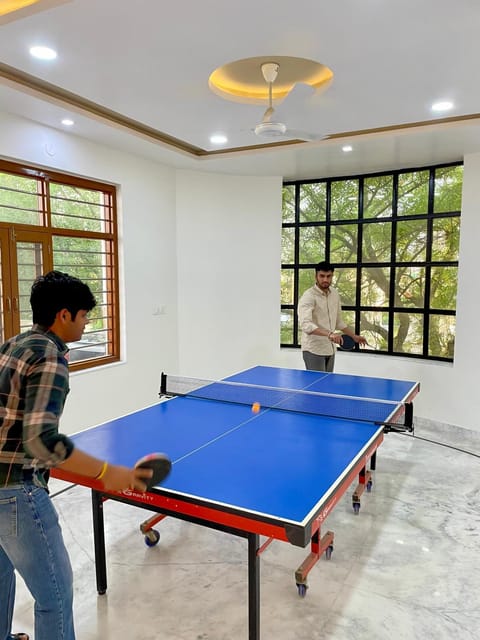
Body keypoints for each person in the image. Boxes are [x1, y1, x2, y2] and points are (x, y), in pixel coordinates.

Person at [0, 271, 154, 640]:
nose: (87, 324)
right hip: (17, 492)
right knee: (54, 595)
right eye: (85, 316)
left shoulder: (13, 345)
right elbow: (40, 441)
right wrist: (107, 472)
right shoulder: (50, 357)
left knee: (1, 576)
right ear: (64, 315)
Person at [297, 260, 366, 372]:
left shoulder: (334, 294)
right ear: (316, 276)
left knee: (327, 385)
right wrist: (329, 334)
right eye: (322, 276)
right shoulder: (308, 296)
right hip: (314, 349)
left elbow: (338, 322)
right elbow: (306, 325)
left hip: (330, 349)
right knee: (317, 388)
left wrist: (354, 336)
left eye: (329, 276)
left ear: (332, 276)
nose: (325, 279)